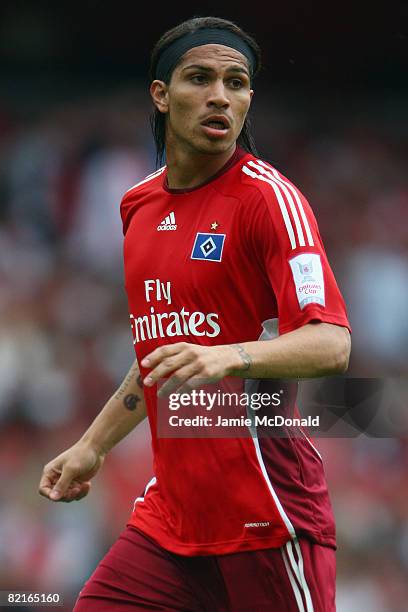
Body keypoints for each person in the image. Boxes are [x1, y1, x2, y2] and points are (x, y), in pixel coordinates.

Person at [39, 16, 351, 611]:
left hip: (266, 514)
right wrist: (93, 447)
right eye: (200, 78)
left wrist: (227, 356)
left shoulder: (268, 201)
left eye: (237, 83)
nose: (220, 96)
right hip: (171, 521)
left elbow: (332, 343)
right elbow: (159, 356)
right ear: (160, 95)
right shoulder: (138, 206)